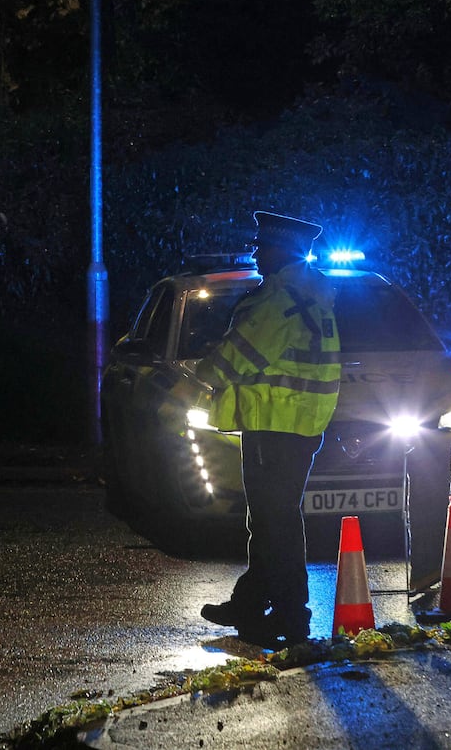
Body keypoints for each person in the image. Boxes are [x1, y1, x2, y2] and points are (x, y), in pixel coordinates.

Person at [195, 211, 342, 648]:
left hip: (272, 423)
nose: (257, 252)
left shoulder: (278, 300)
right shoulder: (313, 295)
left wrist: (203, 369)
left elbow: (231, 362)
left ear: (282, 251)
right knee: (275, 520)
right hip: (297, 424)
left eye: (264, 245)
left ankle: (292, 618)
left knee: (273, 524)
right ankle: (251, 604)